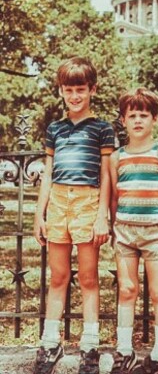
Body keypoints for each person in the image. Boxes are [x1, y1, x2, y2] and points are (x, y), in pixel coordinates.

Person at [33, 57, 115, 374]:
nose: (75, 96)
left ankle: (90, 345)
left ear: (92, 89)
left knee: (89, 278)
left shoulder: (102, 129)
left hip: (87, 201)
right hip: (58, 202)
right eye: (69, 90)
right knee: (58, 277)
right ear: (61, 91)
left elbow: (107, 175)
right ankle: (50, 342)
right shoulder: (55, 129)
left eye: (80, 89)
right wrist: (40, 214)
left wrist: (102, 216)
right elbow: (49, 173)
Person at [109, 88, 158, 374]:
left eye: (144, 115)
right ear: (123, 120)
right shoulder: (117, 157)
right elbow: (115, 195)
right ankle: (124, 351)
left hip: (155, 232)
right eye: (132, 115)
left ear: (155, 119)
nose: (138, 120)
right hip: (125, 232)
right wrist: (114, 227)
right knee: (127, 290)